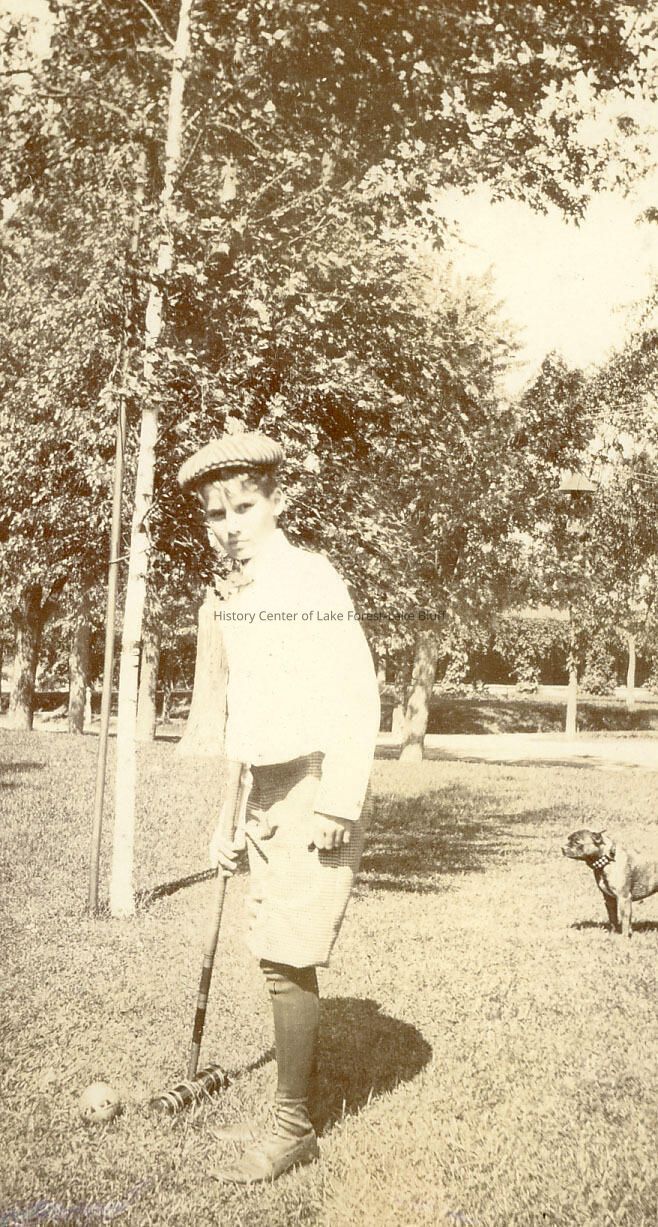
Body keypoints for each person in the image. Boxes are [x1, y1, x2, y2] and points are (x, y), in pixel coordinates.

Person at [177, 431, 381, 1185]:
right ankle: (287, 1112)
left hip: (317, 780)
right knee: (273, 949)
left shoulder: (310, 580)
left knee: (289, 950)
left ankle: (293, 1128)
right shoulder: (234, 594)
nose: (229, 525)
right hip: (265, 786)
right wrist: (227, 816)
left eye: (245, 507)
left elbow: (358, 693)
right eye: (215, 513)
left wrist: (339, 801)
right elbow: (245, 717)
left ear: (278, 500)